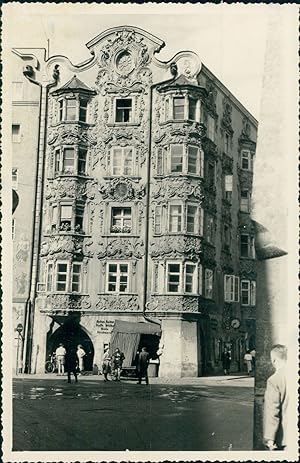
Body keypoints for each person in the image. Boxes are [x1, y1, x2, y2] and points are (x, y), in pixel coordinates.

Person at [263, 344, 288, 451]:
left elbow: (272, 410)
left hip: (285, 438)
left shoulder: (274, 380)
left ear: (273, 360)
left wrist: (270, 439)